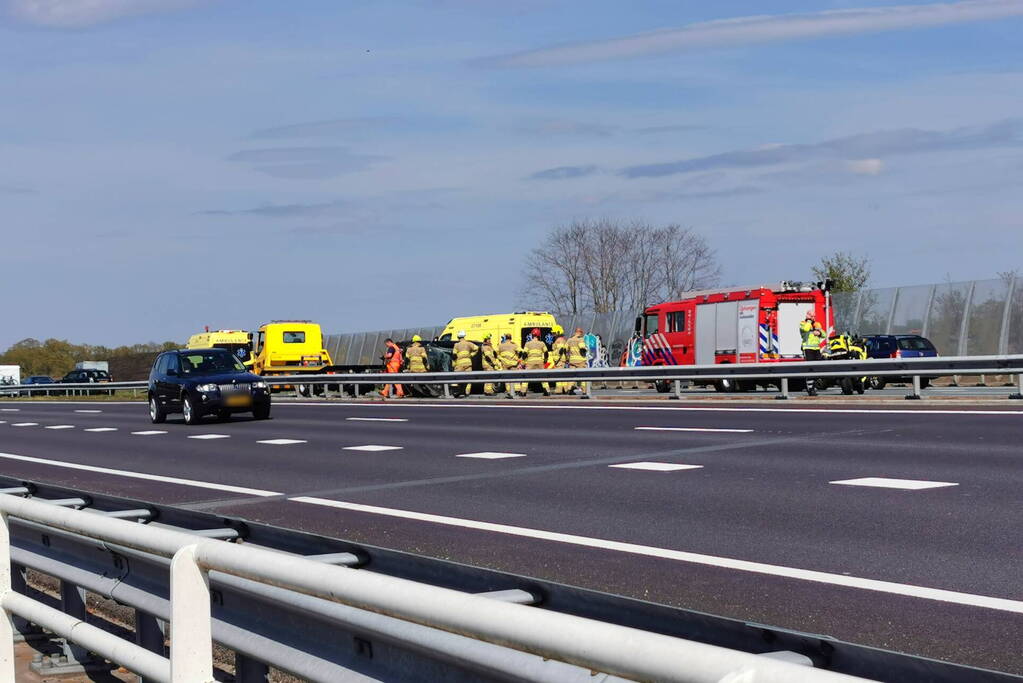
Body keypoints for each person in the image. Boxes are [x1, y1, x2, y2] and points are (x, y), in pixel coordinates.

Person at [521, 330, 550, 396]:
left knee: (526, 377)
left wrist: (523, 361)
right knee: (543, 377)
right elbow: (546, 352)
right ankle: (547, 391)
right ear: (539, 336)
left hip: (530, 362)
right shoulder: (542, 343)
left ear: (532, 335)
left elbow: (524, 354)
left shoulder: (528, 344)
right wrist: (545, 360)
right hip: (540, 362)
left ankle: (523, 392)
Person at [452, 330, 478, 397]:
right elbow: (477, 348)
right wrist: (471, 355)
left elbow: (454, 355)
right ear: (464, 336)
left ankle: (456, 392)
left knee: (457, 378)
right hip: (468, 363)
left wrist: (453, 363)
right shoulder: (469, 343)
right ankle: (466, 393)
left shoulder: (456, 345)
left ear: (458, 337)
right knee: (468, 379)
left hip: (460, 364)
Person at [802, 323, 824, 396]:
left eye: (813, 316)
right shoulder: (803, 323)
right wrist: (809, 321)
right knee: (810, 369)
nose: (813, 317)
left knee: (818, 369)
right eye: (811, 315)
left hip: (816, 349)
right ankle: (810, 388)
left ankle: (814, 386)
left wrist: (819, 331)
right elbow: (805, 329)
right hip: (808, 349)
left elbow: (824, 335)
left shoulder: (816, 324)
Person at [566, 327, 588, 395]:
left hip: (572, 360)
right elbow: (582, 349)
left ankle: (569, 389)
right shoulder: (580, 339)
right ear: (580, 332)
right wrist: (585, 350)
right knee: (583, 376)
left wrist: (567, 358)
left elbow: (565, 349)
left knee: (572, 376)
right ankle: (584, 391)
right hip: (580, 360)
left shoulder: (569, 340)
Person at [498, 333, 521, 398]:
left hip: (505, 364)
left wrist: (501, 359)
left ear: (505, 338)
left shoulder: (500, 346)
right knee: (515, 377)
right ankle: (517, 390)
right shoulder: (514, 345)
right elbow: (521, 352)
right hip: (513, 364)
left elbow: (495, 354)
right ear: (511, 338)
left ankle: (509, 392)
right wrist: (518, 359)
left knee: (507, 379)